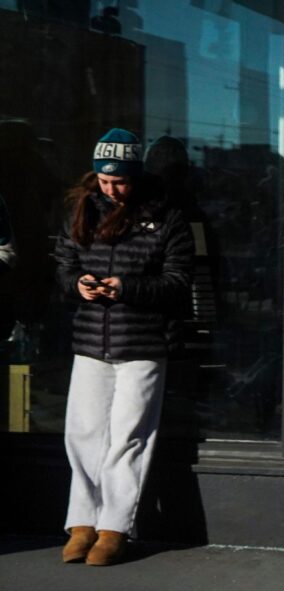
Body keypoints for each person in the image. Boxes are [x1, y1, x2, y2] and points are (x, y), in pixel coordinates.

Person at [55, 127, 194, 566]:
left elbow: (178, 281)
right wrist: (79, 285)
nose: (111, 188)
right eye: (103, 180)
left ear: (136, 176)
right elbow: (63, 263)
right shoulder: (83, 210)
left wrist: (126, 287)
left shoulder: (167, 216)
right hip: (91, 339)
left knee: (127, 438)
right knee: (82, 435)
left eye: (120, 181)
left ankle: (114, 527)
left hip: (143, 341)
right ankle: (82, 524)